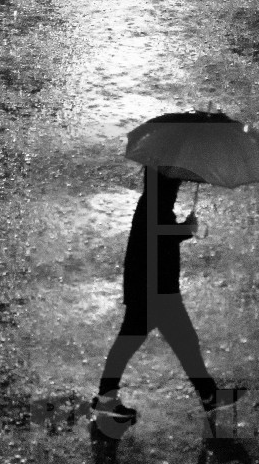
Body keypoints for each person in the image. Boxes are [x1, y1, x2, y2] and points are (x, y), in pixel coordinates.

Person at [93, 166, 219, 427]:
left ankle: (208, 394)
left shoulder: (153, 202)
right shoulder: (154, 205)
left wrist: (182, 229)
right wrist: (185, 229)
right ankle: (209, 394)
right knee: (182, 342)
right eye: (175, 183)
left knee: (139, 342)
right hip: (154, 288)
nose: (177, 187)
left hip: (150, 286)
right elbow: (158, 235)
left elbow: (158, 235)